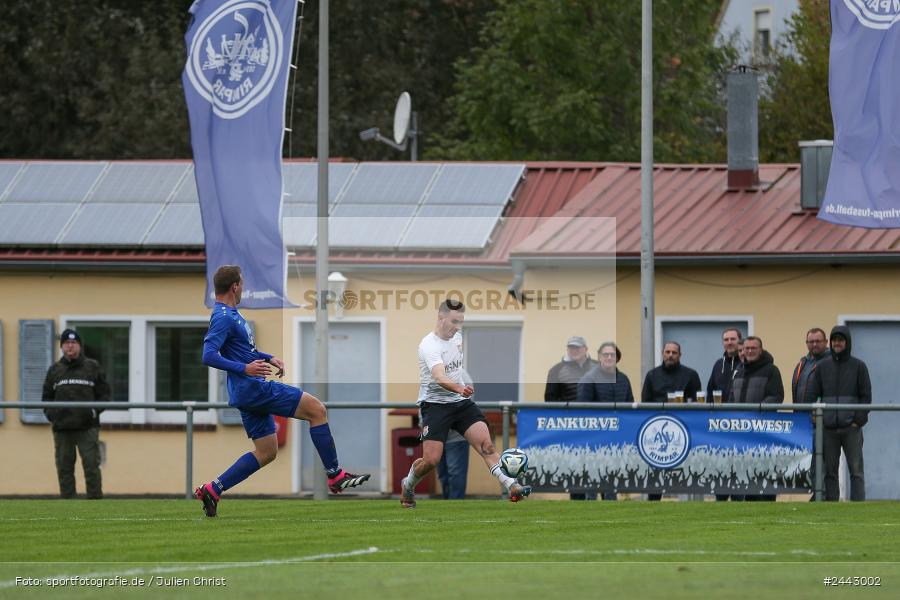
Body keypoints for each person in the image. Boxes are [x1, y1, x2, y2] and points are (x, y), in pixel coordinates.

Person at [194, 265, 369, 517]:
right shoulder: (222, 316)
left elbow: (242, 351)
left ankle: (213, 489)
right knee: (317, 410)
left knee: (267, 452)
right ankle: (335, 475)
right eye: (242, 283)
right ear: (235, 286)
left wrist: (268, 357)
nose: (243, 287)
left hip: (246, 392)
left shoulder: (231, 314)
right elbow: (208, 355)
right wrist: (244, 368)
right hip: (253, 389)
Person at [400, 299, 531, 508]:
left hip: (460, 403)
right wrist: (460, 388)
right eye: (453, 321)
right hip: (434, 405)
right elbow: (439, 376)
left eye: (460, 322)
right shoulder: (429, 345)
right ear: (440, 317)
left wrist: (462, 392)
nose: (457, 327)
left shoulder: (458, 338)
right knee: (431, 460)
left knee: (487, 446)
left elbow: (455, 371)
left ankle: (512, 485)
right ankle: (408, 485)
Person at [42, 328, 111, 499]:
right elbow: (46, 399)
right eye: (66, 343)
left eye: (74, 343)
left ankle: (95, 505)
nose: (70, 346)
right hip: (62, 429)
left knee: (91, 467)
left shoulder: (92, 367)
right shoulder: (54, 371)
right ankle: (68, 506)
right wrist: (53, 415)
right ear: (62, 347)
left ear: (79, 346)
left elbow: (104, 395)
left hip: (87, 427)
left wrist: (94, 412)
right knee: (64, 468)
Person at [810, 326, 871, 501]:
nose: (837, 343)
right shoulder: (822, 367)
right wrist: (817, 420)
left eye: (841, 340)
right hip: (828, 429)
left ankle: (858, 507)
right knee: (830, 472)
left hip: (852, 428)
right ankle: (831, 508)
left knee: (856, 471)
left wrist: (857, 421)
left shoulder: (859, 366)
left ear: (847, 342)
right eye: (834, 340)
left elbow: (866, 397)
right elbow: (813, 396)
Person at [640, 341, 701, 500]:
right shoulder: (652, 375)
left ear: (680, 355)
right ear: (662, 353)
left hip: (684, 430)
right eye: (667, 352)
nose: (670, 355)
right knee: (656, 470)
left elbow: (696, 403)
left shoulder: (691, 375)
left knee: (685, 470)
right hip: (657, 431)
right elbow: (645, 402)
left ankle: (689, 504)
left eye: (674, 352)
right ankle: (653, 504)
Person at [728, 336, 784, 502]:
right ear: (742, 350)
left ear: (761, 350)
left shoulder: (771, 370)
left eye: (753, 348)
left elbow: (776, 397)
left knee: (764, 470)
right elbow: (732, 397)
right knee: (741, 469)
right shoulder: (738, 370)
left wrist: (754, 412)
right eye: (747, 348)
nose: (750, 351)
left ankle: (766, 503)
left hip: (763, 431)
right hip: (740, 430)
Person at [576, 341, 632, 500]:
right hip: (593, 439)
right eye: (605, 354)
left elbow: (630, 404)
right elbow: (582, 410)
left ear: (617, 358)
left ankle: (610, 510)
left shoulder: (624, 379)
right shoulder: (588, 379)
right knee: (592, 483)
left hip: (617, 440)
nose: (609, 357)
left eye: (612, 354)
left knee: (612, 482)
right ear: (599, 357)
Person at [791, 327, 830, 500]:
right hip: (803, 421)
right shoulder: (802, 363)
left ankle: (824, 495)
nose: (814, 344)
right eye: (811, 341)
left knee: (824, 462)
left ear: (825, 342)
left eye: (818, 341)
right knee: (811, 462)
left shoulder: (830, 363)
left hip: (822, 422)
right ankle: (817, 494)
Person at [544, 336, 597, 403]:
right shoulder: (555, 370)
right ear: (567, 350)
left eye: (577, 347)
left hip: (595, 412)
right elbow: (550, 398)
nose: (574, 351)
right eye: (571, 348)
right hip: (568, 412)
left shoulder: (598, 367)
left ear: (586, 349)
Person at [707, 328, 742, 401]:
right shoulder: (718, 364)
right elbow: (710, 391)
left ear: (740, 341)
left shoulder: (745, 363)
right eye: (726, 340)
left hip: (740, 410)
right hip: (719, 411)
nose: (729, 342)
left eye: (733, 339)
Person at [436, 430, 469, 499]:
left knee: (456, 474)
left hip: (456, 437)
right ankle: (448, 504)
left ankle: (456, 506)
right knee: (443, 476)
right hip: (435, 439)